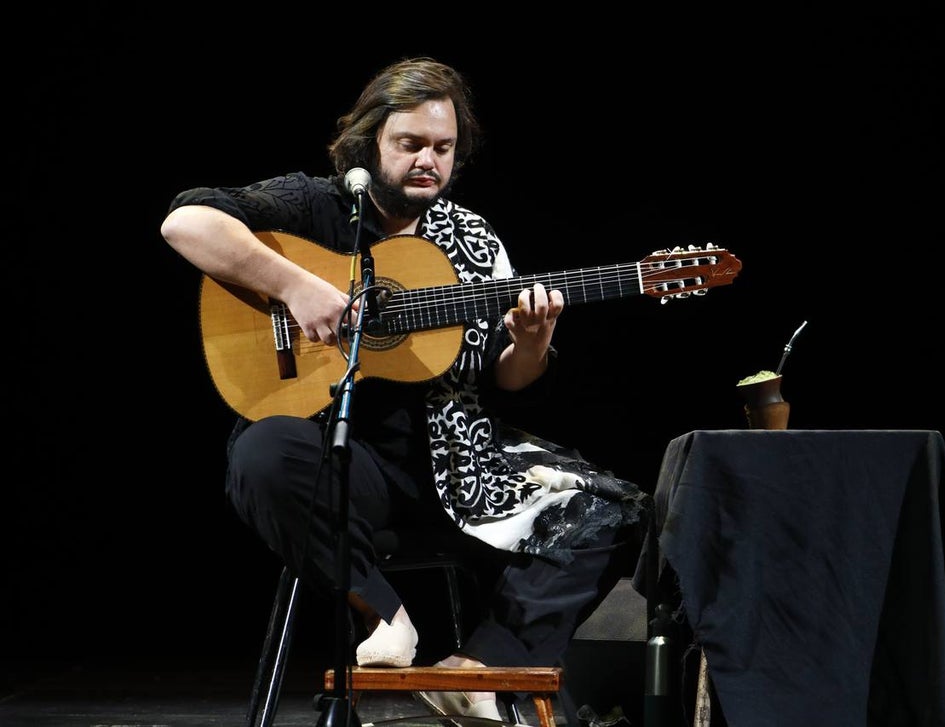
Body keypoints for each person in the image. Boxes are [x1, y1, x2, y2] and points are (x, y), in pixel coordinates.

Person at [160, 56, 648, 723]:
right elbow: (186, 223)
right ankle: (386, 615)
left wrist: (531, 344)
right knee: (261, 454)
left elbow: (505, 379)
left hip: (452, 468)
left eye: (442, 148)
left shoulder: (472, 241)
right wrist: (296, 285)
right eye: (411, 143)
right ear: (371, 142)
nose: (428, 161)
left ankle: (477, 673)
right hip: (338, 468)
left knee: (614, 512)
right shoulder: (317, 206)